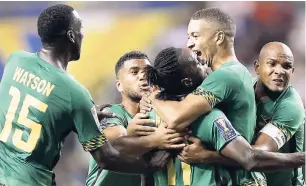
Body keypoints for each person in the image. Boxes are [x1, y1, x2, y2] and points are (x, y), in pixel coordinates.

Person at [0, 4, 150, 186]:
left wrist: (82, 115)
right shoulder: (75, 93)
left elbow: (36, 101)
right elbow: (106, 158)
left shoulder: (15, 60)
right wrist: (150, 166)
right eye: (81, 29)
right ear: (71, 35)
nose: (83, 35)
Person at [143, 47, 305, 186]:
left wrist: (207, 156)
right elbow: (250, 158)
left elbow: (126, 151)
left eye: (286, 66)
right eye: (198, 63)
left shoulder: (148, 112)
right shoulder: (213, 118)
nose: (204, 62)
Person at [141, 8, 256, 148]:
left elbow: (176, 119)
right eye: (189, 37)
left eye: (196, 36)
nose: (189, 43)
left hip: (230, 167)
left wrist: (154, 96)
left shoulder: (224, 75)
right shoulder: (234, 71)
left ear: (219, 38)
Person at [86, 51, 185, 186]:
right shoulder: (111, 112)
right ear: (119, 85)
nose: (143, 76)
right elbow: (113, 145)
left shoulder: (162, 115)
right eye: (134, 72)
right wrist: (156, 140)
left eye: (147, 71)